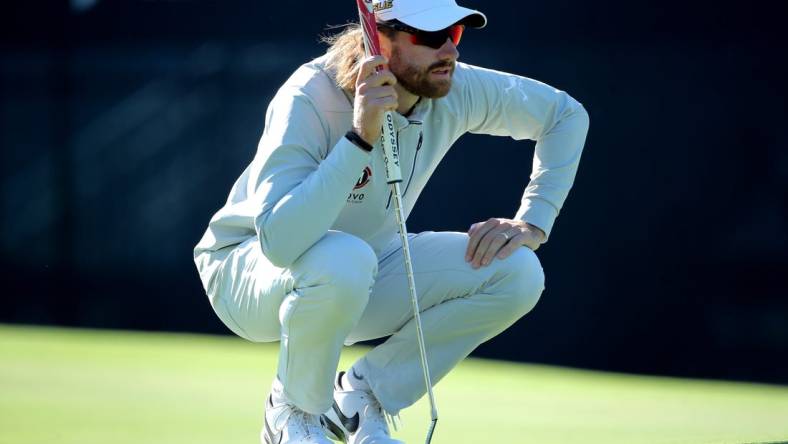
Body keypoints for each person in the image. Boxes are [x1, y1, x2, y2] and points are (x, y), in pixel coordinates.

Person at [193, 0, 589, 442]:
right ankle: (293, 411)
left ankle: (362, 399)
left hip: (359, 271)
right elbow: (279, 243)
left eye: (454, 34)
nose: (450, 52)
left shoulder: (453, 85)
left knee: (516, 272)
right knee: (345, 257)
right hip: (245, 275)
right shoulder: (309, 95)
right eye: (431, 37)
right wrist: (359, 137)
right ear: (380, 38)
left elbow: (565, 115)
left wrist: (533, 221)